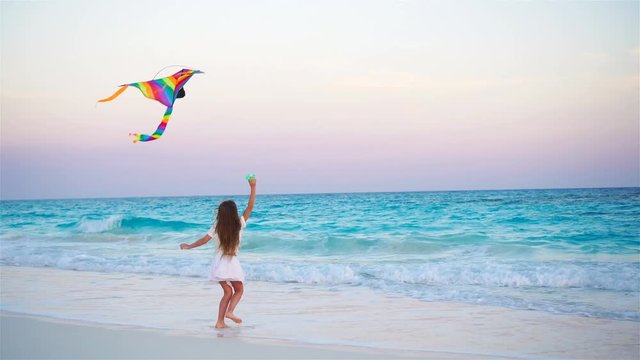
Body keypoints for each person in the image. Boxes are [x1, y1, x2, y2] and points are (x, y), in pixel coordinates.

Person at [180, 177, 256, 328]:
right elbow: (249, 207)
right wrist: (253, 187)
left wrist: (189, 246)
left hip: (219, 263)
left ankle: (220, 322)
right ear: (234, 213)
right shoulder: (239, 224)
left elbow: (204, 240)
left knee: (227, 291)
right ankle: (230, 312)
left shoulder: (217, 226)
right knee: (239, 289)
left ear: (221, 214)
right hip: (231, 262)